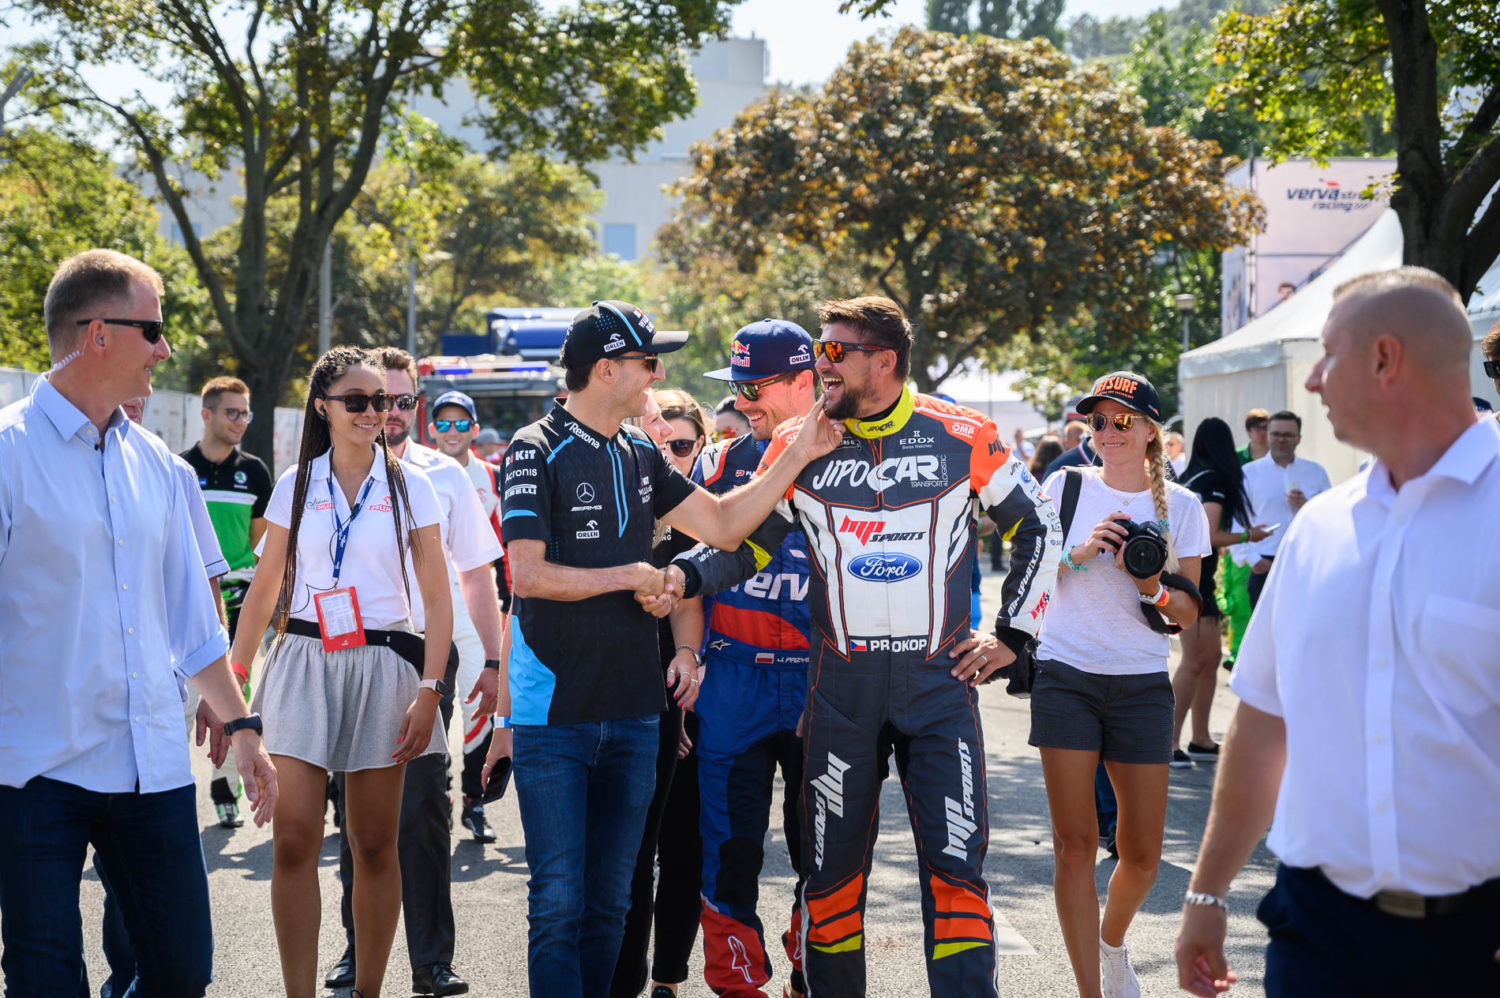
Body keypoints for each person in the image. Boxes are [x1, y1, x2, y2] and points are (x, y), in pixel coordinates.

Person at [671, 296, 1061, 996]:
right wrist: (679, 576)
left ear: (883, 360)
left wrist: (1013, 636)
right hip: (840, 695)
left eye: (833, 352)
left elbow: (1038, 529)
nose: (820, 365)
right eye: (818, 351)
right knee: (832, 879)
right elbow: (748, 547)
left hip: (938, 688)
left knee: (956, 874)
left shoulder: (963, 433)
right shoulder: (810, 441)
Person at [491, 300, 842, 998]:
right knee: (559, 900)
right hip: (553, 712)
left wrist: (796, 457)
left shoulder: (638, 451)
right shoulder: (534, 447)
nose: (657, 373)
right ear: (607, 369)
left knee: (611, 903)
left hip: (635, 708)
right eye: (649, 361)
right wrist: (628, 575)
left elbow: (722, 522)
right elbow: (524, 573)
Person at [1174, 267, 1500, 998]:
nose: (1313, 381)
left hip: (1478, 943)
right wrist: (1207, 893)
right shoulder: (1318, 527)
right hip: (1314, 931)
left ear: (1385, 359)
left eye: (1327, 354)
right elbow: (1262, 715)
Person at [0, 248, 277, 998]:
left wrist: (242, 726)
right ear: (96, 334)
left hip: (148, 767)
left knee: (181, 971)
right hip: (33, 771)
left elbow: (193, 621)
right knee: (44, 979)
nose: (164, 348)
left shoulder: (159, 466)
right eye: (152, 329)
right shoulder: (6, 453)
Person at [230, 346, 453, 998]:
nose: (374, 412)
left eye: (382, 400)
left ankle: (368, 993)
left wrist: (431, 691)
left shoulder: (414, 484)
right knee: (294, 837)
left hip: (385, 665)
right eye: (357, 401)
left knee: (375, 844)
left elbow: (438, 601)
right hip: (302, 660)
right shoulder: (296, 481)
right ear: (322, 406)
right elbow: (264, 592)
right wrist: (235, 688)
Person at [323, 356, 505, 998]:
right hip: (346, 658)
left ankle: (430, 960)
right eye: (376, 399)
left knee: (422, 801)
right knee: (355, 806)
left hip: (428, 657)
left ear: (414, 405)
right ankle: (355, 950)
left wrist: (493, 660)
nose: (388, 412)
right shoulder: (322, 474)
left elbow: (478, 573)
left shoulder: (443, 477)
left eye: (399, 400)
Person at [1032, 371, 1210, 998]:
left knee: (1141, 855)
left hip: (1139, 682)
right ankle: (1090, 990)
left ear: (1150, 430)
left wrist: (1152, 586)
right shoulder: (1065, 486)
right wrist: (1079, 553)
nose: (1106, 432)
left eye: (1121, 421)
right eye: (1098, 421)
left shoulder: (1181, 507)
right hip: (1067, 674)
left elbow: (1189, 613)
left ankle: (1111, 944)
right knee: (1076, 846)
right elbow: (1032, 576)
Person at [691, 320, 820, 998]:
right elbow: (682, 572)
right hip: (732, 678)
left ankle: (813, 960)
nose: (742, 401)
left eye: (754, 386)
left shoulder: (855, 463)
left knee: (821, 849)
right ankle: (736, 983)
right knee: (732, 850)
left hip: (820, 680)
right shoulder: (715, 464)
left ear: (806, 383)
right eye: (735, 386)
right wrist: (688, 655)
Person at [613, 388, 709, 998]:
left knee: (684, 849)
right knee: (630, 853)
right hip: (628, 696)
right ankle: (621, 976)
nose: (669, 454)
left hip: (703, 693)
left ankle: (668, 977)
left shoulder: (712, 511)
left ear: (702, 446)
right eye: (658, 442)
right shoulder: (622, 503)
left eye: (681, 444)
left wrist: (689, 671)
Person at [180, 374, 275, 828]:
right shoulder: (177, 467)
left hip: (237, 596)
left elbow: (261, 547)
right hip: (188, 593)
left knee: (237, 688)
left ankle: (225, 788)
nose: (240, 421)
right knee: (183, 693)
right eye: (231, 412)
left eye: (245, 413)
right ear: (207, 414)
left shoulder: (255, 471)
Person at [1170, 419, 1272, 769]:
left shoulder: (1194, 477)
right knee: (1195, 661)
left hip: (1195, 577)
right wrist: (1248, 537)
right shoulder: (1214, 480)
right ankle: (1168, 742)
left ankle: (1199, 738)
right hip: (1193, 579)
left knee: (1210, 659)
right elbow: (1209, 535)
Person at [1241, 410, 1330, 609]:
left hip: (1305, 561)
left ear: (1298, 438)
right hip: (1265, 562)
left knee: (1306, 631)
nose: (1282, 439)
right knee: (1265, 636)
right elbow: (1236, 521)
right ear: (1269, 436)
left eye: (1288, 435)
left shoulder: (1315, 472)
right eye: (1276, 434)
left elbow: (1331, 521)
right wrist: (1254, 560)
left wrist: (1307, 506)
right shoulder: (1250, 473)